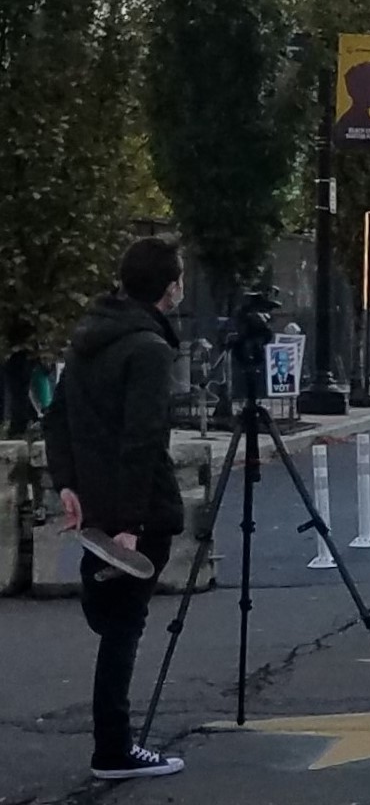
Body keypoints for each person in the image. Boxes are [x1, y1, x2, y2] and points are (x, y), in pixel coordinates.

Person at [42, 237, 188, 780]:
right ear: (169, 288)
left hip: (95, 503)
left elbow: (56, 416)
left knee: (114, 620)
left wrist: (67, 482)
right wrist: (131, 523)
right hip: (135, 510)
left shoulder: (90, 336)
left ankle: (115, 743)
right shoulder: (149, 349)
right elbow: (142, 438)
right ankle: (114, 747)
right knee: (125, 628)